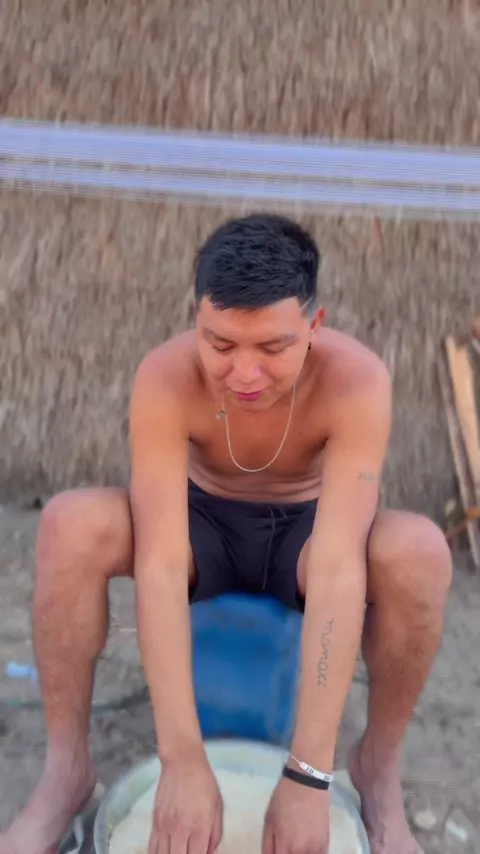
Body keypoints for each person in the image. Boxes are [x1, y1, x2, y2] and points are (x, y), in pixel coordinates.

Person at [0, 213, 451, 854]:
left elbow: (336, 568)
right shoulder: (165, 376)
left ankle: (376, 769)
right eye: (220, 345)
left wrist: (308, 775)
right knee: (70, 524)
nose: (244, 373)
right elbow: (160, 563)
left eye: (272, 349)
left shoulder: (357, 380)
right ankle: (67, 771)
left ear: (314, 327)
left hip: (308, 535)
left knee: (419, 552)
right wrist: (182, 759)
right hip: (198, 526)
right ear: (196, 320)